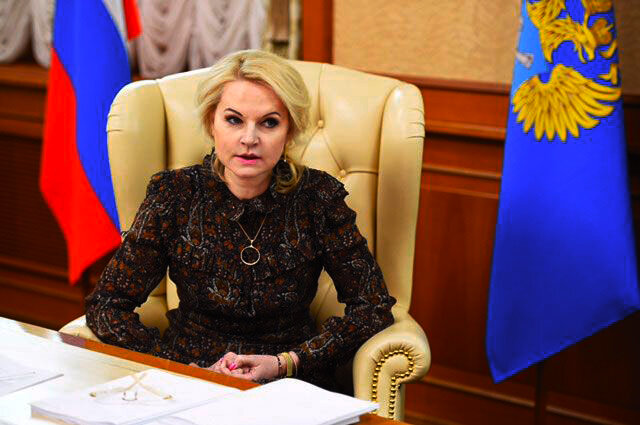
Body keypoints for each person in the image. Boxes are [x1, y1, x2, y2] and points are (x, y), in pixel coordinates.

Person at [85, 49, 395, 390]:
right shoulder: (174, 194)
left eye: (269, 122)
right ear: (211, 123)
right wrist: (181, 367)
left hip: (290, 383)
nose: (249, 139)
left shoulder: (318, 198)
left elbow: (373, 308)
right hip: (188, 380)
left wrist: (287, 362)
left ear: (290, 131)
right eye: (234, 120)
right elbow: (107, 306)